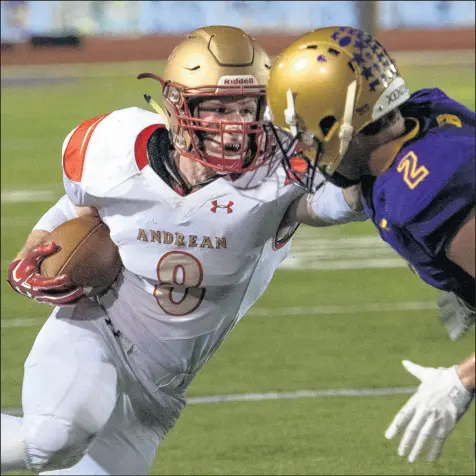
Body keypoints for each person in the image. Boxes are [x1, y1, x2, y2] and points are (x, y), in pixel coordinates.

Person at [1, 26, 367, 475]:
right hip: (95, 331)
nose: (232, 127)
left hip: (157, 396)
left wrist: (367, 170)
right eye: (215, 107)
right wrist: (33, 250)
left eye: (245, 107)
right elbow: (77, 207)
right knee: (52, 439)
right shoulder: (110, 147)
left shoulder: (283, 173)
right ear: (176, 105)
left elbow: (335, 204)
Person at [265, 25, 475, 464]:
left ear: (338, 123)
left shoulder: (426, 187)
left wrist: (464, 378)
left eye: (305, 131)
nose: (302, 145)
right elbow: (359, 191)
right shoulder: (425, 115)